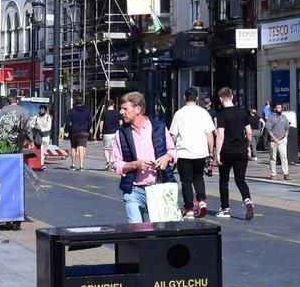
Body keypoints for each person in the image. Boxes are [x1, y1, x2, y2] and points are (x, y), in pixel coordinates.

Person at [106, 91, 175, 222]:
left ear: (137, 109)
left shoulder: (159, 128)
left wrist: (167, 157)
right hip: (134, 190)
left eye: (125, 108)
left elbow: (172, 150)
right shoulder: (121, 134)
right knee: (137, 230)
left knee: (163, 231)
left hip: (158, 188)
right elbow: (115, 163)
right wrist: (135, 165)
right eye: (121, 108)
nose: (121, 112)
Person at [169, 88, 216, 217]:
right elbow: (210, 134)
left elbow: (173, 135)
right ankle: (201, 200)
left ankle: (189, 208)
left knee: (186, 181)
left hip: (183, 153)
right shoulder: (204, 113)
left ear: (185, 98)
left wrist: (169, 150)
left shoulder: (179, 113)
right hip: (200, 152)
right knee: (198, 177)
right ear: (197, 98)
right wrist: (210, 152)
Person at [212, 86, 254, 220]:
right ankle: (247, 200)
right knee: (240, 180)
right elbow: (249, 132)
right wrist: (247, 146)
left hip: (227, 151)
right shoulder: (242, 112)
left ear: (220, 98)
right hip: (241, 150)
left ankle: (225, 208)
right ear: (232, 97)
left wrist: (217, 153)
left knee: (224, 180)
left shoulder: (221, 114)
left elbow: (220, 134)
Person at [262, 102, 291, 180]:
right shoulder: (270, 117)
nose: (280, 109)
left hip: (282, 140)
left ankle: (286, 173)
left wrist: (286, 136)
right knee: (273, 157)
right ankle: (273, 174)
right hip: (272, 140)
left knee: (284, 156)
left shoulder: (284, 117)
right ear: (274, 109)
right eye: (278, 108)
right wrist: (273, 138)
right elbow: (268, 129)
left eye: (281, 108)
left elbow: (287, 127)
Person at [65, 99, 93, 170]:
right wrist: (89, 129)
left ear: (75, 102)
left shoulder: (72, 111)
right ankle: (81, 166)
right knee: (81, 147)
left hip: (74, 131)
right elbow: (90, 121)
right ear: (82, 102)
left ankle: (73, 165)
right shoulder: (86, 111)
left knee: (73, 147)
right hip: (84, 131)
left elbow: (68, 122)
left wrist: (66, 131)